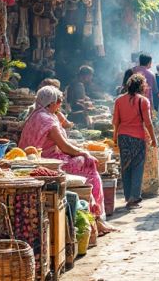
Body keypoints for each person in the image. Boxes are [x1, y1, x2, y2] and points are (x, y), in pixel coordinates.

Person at [19, 86, 115, 235]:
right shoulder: (46, 119)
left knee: (82, 158)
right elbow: (64, 147)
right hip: (47, 161)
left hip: (36, 158)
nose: (60, 105)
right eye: (59, 102)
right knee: (90, 166)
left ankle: (96, 217)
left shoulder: (36, 114)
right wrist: (84, 153)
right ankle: (97, 218)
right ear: (51, 103)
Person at [112, 75, 157, 209]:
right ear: (141, 86)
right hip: (138, 137)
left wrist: (115, 138)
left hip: (123, 137)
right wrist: (153, 139)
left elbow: (116, 122)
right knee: (137, 166)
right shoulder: (143, 101)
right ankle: (134, 197)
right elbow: (148, 123)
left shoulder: (119, 100)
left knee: (125, 166)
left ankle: (128, 196)